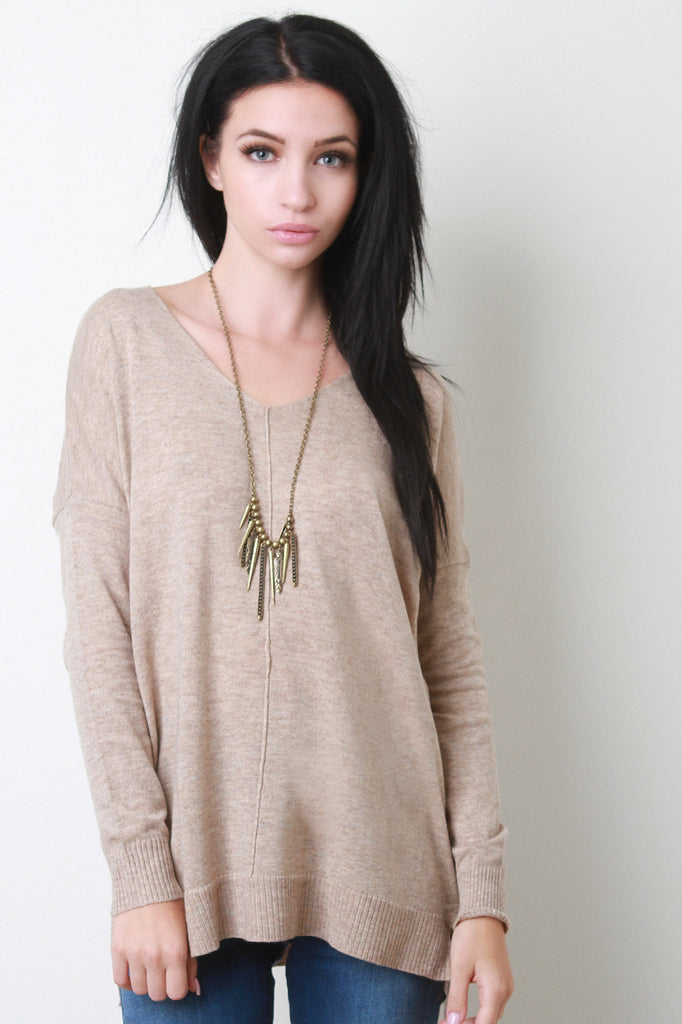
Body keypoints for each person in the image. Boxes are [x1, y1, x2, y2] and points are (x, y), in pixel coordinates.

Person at [51, 13, 513, 1024]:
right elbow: (100, 628)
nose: (297, 192)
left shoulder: (412, 399)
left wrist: (481, 898)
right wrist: (139, 869)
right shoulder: (123, 344)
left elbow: (447, 656)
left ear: (366, 174)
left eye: (331, 157)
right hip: (186, 877)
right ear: (211, 159)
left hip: (385, 871)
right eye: (263, 151)